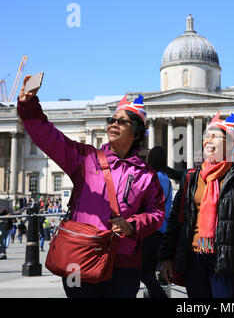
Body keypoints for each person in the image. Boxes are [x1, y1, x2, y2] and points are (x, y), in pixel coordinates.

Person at [17, 77, 165, 298]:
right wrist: (29, 105)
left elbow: (156, 213)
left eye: (121, 121)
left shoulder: (146, 175)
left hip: (123, 264)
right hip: (79, 258)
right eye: (111, 119)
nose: (112, 124)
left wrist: (131, 225)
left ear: (136, 133)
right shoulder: (84, 158)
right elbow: (49, 137)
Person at [159, 112, 234, 298]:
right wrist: (166, 256)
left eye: (215, 136)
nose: (208, 141)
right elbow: (175, 218)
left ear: (229, 144)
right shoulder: (192, 177)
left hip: (225, 260)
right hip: (194, 258)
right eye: (206, 136)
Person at [141, 145, 173, 298]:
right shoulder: (166, 179)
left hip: (153, 230)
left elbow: (149, 202)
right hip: (162, 229)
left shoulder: (156, 178)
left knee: (143, 271)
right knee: (150, 271)